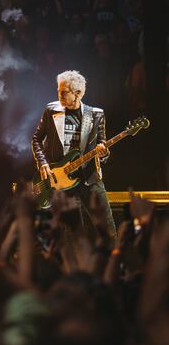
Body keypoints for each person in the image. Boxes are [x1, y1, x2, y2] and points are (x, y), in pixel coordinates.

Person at [30, 70, 116, 239]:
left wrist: (103, 153)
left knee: (108, 230)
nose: (59, 94)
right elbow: (36, 140)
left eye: (64, 91)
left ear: (78, 93)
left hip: (88, 178)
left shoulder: (96, 115)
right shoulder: (51, 111)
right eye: (58, 90)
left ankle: (115, 262)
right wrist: (43, 163)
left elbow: (102, 148)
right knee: (70, 234)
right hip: (60, 180)